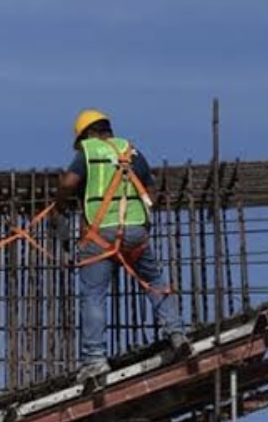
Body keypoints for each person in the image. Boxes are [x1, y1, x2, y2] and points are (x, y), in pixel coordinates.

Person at [53, 109, 192, 388]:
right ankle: (177, 334)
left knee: (94, 296)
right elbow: (150, 192)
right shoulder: (131, 151)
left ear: (87, 135)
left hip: (100, 235)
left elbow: (69, 183)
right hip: (135, 232)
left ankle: (95, 360)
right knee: (155, 282)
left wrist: (60, 203)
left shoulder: (89, 151)